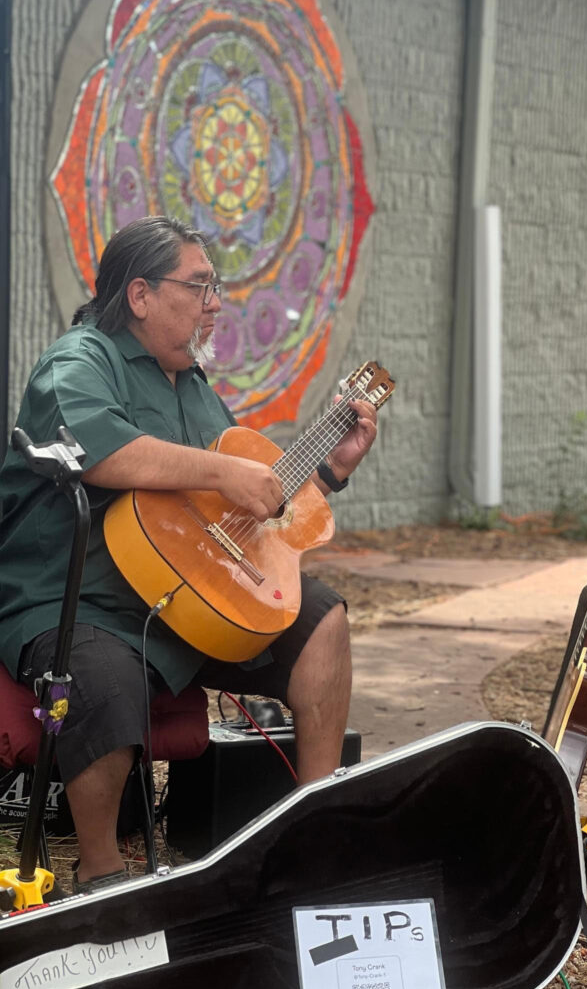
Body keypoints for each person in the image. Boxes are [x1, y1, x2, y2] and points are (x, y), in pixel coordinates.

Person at [0, 215, 377, 893]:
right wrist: (222, 472)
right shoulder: (78, 362)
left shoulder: (195, 388)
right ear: (140, 295)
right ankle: (101, 874)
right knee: (104, 674)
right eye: (200, 286)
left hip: (186, 599)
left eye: (216, 287)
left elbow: (247, 509)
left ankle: (311, 825)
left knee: (322, 619)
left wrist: (325, 474)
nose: (214, 304)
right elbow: (100, 451)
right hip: (75, 599)